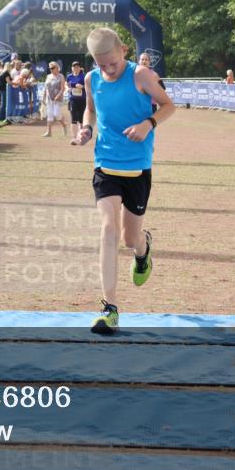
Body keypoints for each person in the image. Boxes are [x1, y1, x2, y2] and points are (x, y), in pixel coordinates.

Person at [70, 28, 174, 334]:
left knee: (130, 239)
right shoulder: (92, 80)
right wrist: (86, 130)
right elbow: (90, 110)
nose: (108, 70)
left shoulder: (142, 76)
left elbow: (169, 106)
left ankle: (144, 249)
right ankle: (109, 308)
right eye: (101, 65)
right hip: (106, 165)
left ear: (124, 51)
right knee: (108, 230)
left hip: (138, 169)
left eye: (112, 64)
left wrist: (148, 123)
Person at [42, 61, 67, 137]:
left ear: (57, 68)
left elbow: (63, 89)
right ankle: (49, 132)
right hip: (49, 99)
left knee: (57, 114)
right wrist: (43, 98)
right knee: (49, 115)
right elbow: (45, 88)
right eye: (50, 68)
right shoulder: (48, 76)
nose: (51, 69)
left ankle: (64, 125)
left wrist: (58, 96)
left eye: (53, 68)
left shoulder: (61, 76)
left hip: (57, 99)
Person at [66, 61, 87, 138]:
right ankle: (74, 137)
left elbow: (89, 86)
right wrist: (68, 89)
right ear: (72, 68)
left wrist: (82, 86)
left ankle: (80, 136)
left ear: (80, 68)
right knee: (73, 118)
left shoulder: (84, 76)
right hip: (73, 99)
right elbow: (67, 85)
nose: (76, 68)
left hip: (82, 100)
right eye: (74, 67)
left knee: (81, 119)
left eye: (77, 67)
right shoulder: (69, 77)